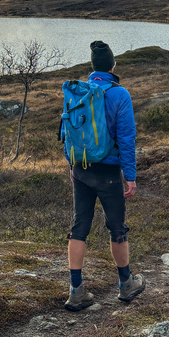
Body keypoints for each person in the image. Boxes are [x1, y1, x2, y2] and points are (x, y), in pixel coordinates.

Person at [63, 40, 145, 310]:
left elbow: (67, 133)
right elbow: (126, 138)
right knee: (117, 229)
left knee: (79, 229)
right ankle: (126, 284)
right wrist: (129, 176)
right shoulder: (120, 94)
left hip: (81, 168)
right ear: (113, 66)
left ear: (92, 68)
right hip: (109, 172)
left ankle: (76, 292)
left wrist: (72, 165)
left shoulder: (79, 92)